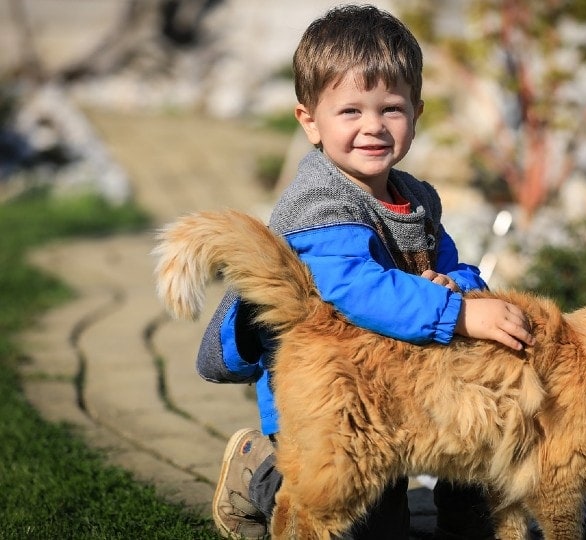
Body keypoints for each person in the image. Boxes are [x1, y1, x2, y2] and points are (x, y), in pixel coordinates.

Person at [196, 4, 535, 539]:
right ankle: (258, 471)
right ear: (309, 121)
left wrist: (463, 290)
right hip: (330, 402)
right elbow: (356, 288)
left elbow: (447, 261)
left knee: (471, 414)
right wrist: (455, 315)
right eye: (350, 111)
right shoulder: (319, 204)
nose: (373, 126)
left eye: (391, 109)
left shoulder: (415, 197)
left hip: (392, 389)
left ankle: (471, 514)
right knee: (345, 501)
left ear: (417, 113)